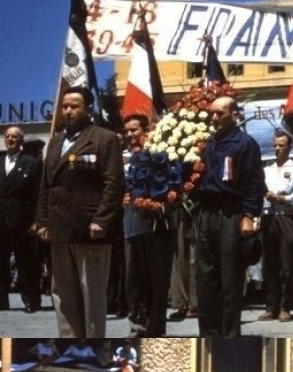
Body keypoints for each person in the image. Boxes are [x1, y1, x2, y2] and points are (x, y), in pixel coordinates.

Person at [35, 86, 124, 338]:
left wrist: (102, 220)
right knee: (63, 296)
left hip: (90, 230)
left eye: (74, 106)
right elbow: (46, 184)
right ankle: (69, 341)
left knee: (91, 296)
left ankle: (93, 345)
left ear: (88, 108)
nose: (68, 111)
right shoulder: (55, 142)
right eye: (64, 106)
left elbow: (113, 183)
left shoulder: (104, 139)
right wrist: (41, 221)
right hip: (60, 231)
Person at [194, 96, 265, 336]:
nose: (214, 118)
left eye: (220, 114)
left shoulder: (245, 144)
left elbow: (255, 182)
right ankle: (209, 333)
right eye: (212, 114)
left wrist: (248, 215)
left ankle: (230, 335)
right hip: (207, 214)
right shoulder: (209, 144)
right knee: (205, 277)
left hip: (231, 214)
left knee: (230, 279)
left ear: (233, 114)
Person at [122, 114, 175, 336]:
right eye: (127, 131)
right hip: (131, 224)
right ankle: (137, 323)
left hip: (154, 224)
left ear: (146, 130)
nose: (130, 135)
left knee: (156, 278)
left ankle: (155, 327)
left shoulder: (158, 154)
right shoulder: (123, 157)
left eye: (134, 130)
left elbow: (170, 184)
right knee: (133, 277)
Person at [259, 130, 293, 324]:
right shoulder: (266, 170)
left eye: (281, 145)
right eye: (275, 145)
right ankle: (271, 306)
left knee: (286, 264)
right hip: (268, 217)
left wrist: (281, 198)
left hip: (286, 218)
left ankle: (286, 306)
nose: (277, 149)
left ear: (289, 147)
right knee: (269, 264)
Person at [0, 124, 43, 313]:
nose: (11, 140)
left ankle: (31, 299)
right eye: (8, 136)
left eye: (15, 137)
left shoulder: (31, 163)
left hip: (22, 221)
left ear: (21, 141)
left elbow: (37, 195)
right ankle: (2, 300)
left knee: (26, 262)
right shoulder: (0, 161)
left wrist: (36, 221)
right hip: (1, 221)